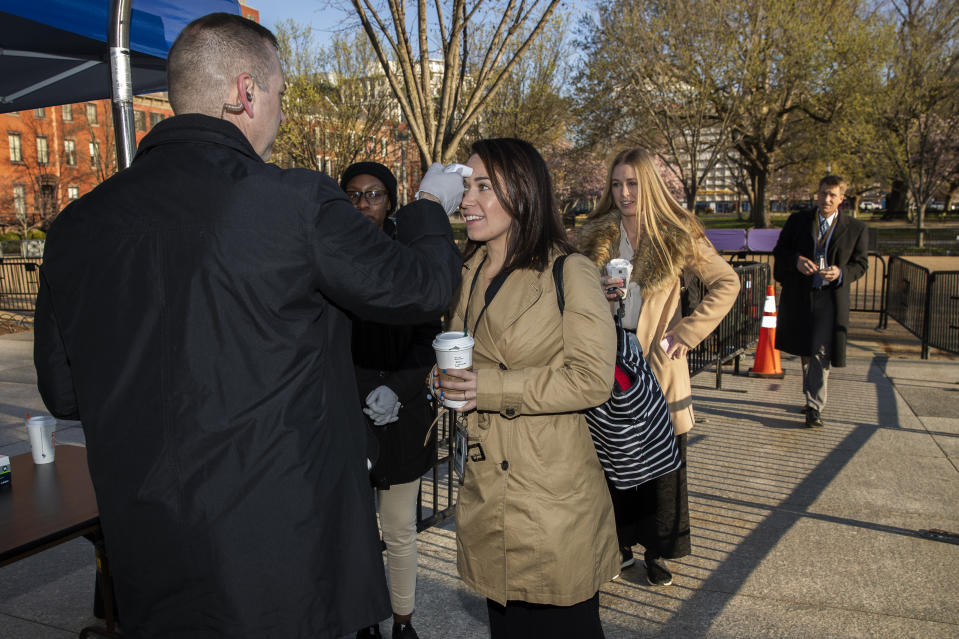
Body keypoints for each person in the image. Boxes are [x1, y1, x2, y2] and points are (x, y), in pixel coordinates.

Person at [33, 13, 465, 639]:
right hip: (285, 559)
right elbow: (423, 286)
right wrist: (428, 207)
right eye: (282, 96)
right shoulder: (294, 203)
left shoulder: (74, 228)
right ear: (245, 92)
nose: (284, 115)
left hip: (150, 552)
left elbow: (65, 392)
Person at [435, 138, 619, 638]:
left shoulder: (568, 271)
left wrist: (488, 388)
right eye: (464, 186)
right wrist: (445, 381)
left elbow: (592, 378)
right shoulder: (467, 271)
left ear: (522, 191)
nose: (466, 199)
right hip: (488, 490)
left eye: (483, 187)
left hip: (549, 499)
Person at [577, 148, 740, 587]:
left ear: (648, 184)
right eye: (615, 184)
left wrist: (687, 331)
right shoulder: (594, 236)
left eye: (631, 183)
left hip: (656, 368)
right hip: (608, 368)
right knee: (611, 461)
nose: (623, 193)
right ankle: (618, 547)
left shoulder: (676, 233)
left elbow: (728, 282)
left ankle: (658, 551)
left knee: (662, 468)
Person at [341, 161, 438, 639]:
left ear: (391, 201)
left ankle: (403, 620)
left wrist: (397, 388)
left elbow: (427, 338)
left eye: (374, 194)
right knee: (357, 532)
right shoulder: (332, 255)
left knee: (399, 528)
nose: (364, 204)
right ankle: (364, 618)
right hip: (348, 413)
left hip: (404, 412)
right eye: (355, 195)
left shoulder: (410, 260)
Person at [773, 175, 868, 428]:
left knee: (820, 351)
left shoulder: (856, 229)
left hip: (831, 298)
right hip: (801, 295)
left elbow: (860, 264)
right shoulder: (798, 221)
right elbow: (780, 251)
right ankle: (810, 396)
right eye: (823, 193)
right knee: (806, 348)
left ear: (841, 199)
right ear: (817, 194)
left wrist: (841, 273)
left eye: (832, 195)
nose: (827, 199)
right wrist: (796, 261)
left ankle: (815, 406)